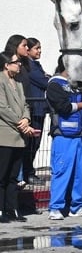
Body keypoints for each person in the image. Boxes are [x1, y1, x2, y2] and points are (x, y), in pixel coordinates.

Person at [46, 55, 82, 220]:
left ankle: (77, 205)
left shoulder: (77, 84)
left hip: (79, 135)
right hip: (63, 135)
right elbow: (63, 107)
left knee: (78, 173)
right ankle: (56, 207)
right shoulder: (54, 84)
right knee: (61, 171)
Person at [0, 51, 39, 222]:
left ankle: (12, 208)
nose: (19, 65)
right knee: (2, 174)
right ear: (6, 65)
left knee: (13, 176)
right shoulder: (0, 81)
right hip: (5, 134)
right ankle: (1, 209)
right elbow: (2, 108)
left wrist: (26, 119)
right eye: (16, 62)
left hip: (19, 135)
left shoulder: (19, 84)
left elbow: (25, 105)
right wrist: (21, 124)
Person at [22, 37, 50, 185]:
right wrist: (48, 78)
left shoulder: (36, 65)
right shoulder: (30, 67)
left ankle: (29, 171)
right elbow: (45, 82)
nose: (39, 51)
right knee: (32, 144)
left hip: (40, 109)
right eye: (36, 48)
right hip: (33, 109)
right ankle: (28, 173)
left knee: (36, 144)